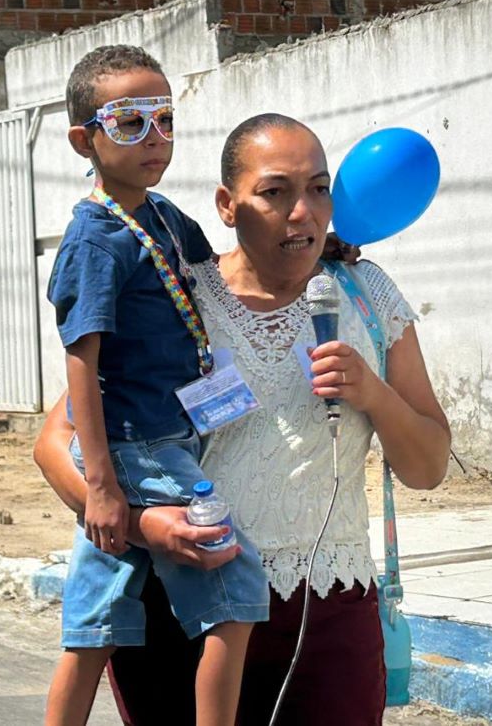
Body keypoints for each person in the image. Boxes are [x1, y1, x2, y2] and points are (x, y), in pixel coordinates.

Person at [35, 113, 451, 725]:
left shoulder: (366, 295)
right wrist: (144, 526)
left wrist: (373, 393)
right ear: (228, 206)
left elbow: (429, 467)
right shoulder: (179, 295)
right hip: (182, 611)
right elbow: (56, 442)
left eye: (318, 188)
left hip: (328, 615)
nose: (302, 212)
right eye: (275, 192)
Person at [43, 45, 269, 726]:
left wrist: (325, 243)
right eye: (130, 123)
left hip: (165, 436)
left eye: (165, 119)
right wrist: (104, 487)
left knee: (96, 623)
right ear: (85, 139)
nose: (155, 139)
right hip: (139, 447)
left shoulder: (163, 216)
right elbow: (82, 360)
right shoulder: (94, 241)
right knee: (236, 587)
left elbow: (221, 269)